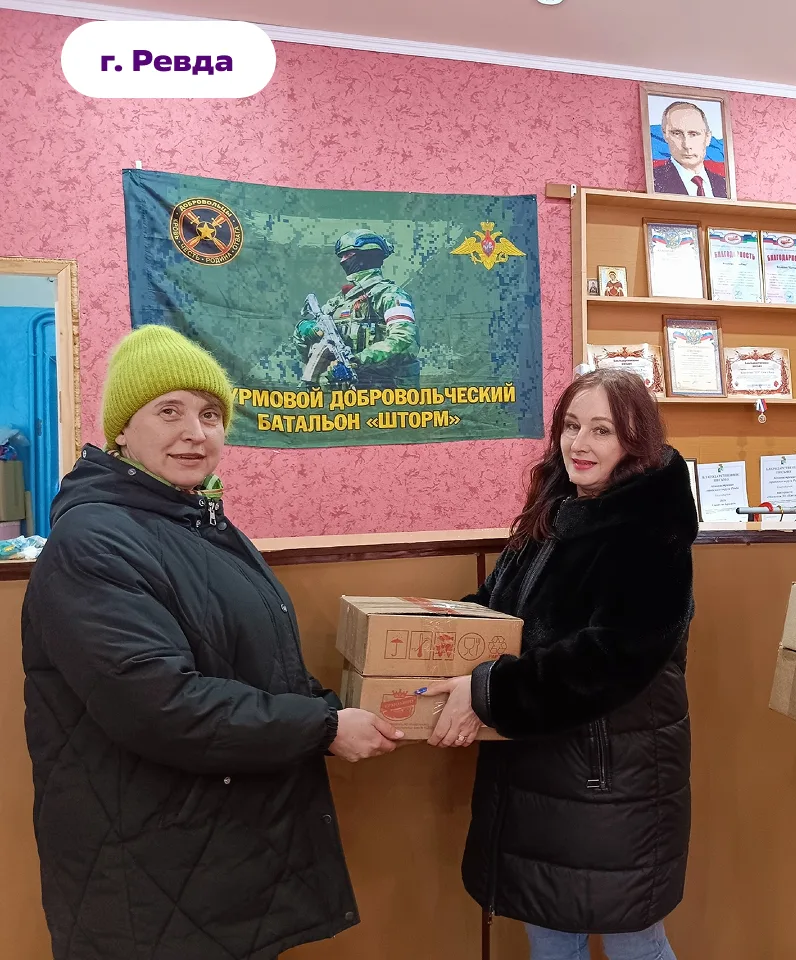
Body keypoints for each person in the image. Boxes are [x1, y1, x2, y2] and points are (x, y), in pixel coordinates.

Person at [22, 325, 404, 960]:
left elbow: (253, 666)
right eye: (168, 411)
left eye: (209, 414)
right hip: (146, 873)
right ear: (122, 430)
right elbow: (159, 705)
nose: (195, 433)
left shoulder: (197, 522)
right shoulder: (93, 541)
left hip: (214, 857)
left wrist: (333, 711)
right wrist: (323, 728)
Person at [419, 368, 697, 960]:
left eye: (602, 430)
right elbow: (500, 609)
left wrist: (489, 692)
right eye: (572, 426)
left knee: (633, 942)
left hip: (609, 779)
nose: (580, 444)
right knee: (550, 937)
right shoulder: (558, 509)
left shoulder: (649, 532)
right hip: (540, 771)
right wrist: (436, 634)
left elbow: (607, 660)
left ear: (635, 442)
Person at [294, 229, 421, 387]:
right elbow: (306, 345)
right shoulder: (338, 302)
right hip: (341, 394)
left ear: (366, 256)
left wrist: (356, 360)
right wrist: (304, 329)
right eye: (342, 256)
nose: (342, 261)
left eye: (348, 254)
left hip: (384, 392)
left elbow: (404, 340)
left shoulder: (390, 295)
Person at [651, 100, 728, 198]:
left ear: (708, 138)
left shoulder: (724, 185)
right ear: (665, 136)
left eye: (693, 134)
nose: (686, 145)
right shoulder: (653, 180)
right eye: (677, 133)